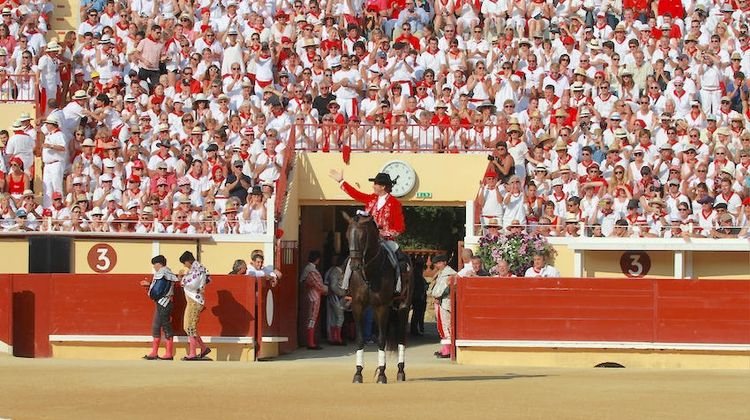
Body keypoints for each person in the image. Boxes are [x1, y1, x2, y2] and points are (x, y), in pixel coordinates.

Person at [328, 169, 406, 293]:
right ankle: (345, 286)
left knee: (397, 260)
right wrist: (341, 181)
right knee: (352, 258)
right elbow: (355, 194)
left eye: (375, 184)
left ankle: (398, 287)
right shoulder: (371, 199)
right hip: (368, 239)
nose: (373, 186)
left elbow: (400, 227)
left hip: (385, 240)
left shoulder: (395, 204)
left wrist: (385, 233)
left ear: (383, 187)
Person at [140, 255, 178, 360]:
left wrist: (151, 291)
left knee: (165, 327)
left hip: (164, 302)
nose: (154, 267)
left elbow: (157, 290)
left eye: (155, 265)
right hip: (163, 302)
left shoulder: (162, 273)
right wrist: (149, 285)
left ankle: (169, 353)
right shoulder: (168, 272)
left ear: (159, 264)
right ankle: (154, 352)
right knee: (156, 326)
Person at [178, 251, 211, 360]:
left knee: (190, 326)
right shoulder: (197, 269)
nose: (184, 265)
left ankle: (193, 353)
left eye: (184, 263)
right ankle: (203, 348)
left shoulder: (197, 269)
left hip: (194, 300)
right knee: (188, 326)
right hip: (193, 300)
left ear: (188, 261)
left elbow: (192, 285)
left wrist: (182, 280)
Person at [300, 250, 328, 350]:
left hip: (312, 295)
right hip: (313, 296)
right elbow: (317, 284)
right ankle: (310, 342)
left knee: (312, 318)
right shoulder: (311, 270)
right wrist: (326, 289)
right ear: (317, 260)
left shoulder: (309, 269)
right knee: (312, 318)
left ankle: (310, 341)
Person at [430, 254, 456, 359]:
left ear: (445, 262)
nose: (437, 265)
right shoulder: (443, 273)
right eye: (436, 263)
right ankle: (445, 348)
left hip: (446, 303)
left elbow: (440, 291)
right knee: (443, 326)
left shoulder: (449, 274)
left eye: (439, 263)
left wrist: (436, 296)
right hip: (442, 302)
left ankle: (448, 350)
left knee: (447, 326)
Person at [323, 255, 347, 345]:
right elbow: (333, 286)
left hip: (333, 297)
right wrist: (342, 293)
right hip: (336, 297)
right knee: (340, 317)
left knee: (333, 318)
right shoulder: (336, 271)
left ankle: (333, 338)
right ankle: (338, 338)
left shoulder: (333, 271)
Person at [410, 258, 429, 336]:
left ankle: (418, 329)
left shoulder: (416, 274)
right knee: (417, 315)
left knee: (417, 315)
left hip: (418, 296)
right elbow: (419, 287)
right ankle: (416, 330)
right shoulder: (417, 275)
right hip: (418, 297)